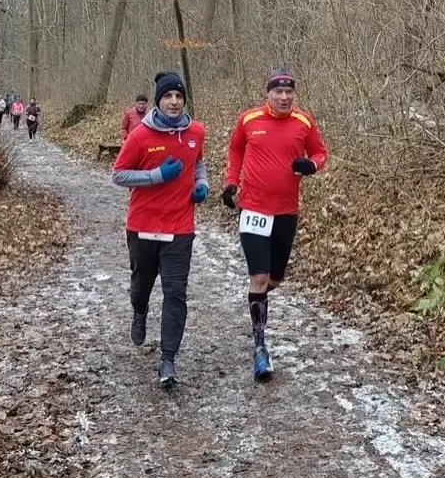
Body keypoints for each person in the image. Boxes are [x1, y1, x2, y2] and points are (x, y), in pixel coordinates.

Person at [222, 68, 328, 381]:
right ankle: (260, 348)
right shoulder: (249, 119)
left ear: (294, 94)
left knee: (275, 280)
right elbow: (235, 148)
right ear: (268, 93)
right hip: (253, 209)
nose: (283, 97)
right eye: (278, 92)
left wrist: (311, 165)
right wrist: (231, 182)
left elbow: (321, 153)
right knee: (259, 275)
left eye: (289, 92)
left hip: (285, 212)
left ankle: (258, 298)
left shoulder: (304, 122)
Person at [111, 72, 208, 388]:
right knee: (141, 286)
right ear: (158, 100)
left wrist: (201, 185)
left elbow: (198, 163)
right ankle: (139, 312)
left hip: (180, 227)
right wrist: (156, 176)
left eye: (179, 96)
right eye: (168, 96)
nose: (174, 101)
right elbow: (119, 175)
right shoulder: (140, 136)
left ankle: (168, 359)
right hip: (143, 225)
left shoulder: (196, 132)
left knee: (175, 292)